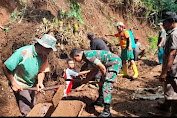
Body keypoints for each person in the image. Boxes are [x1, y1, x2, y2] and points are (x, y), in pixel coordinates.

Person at [2, 34, 57, 116]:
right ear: (43, 47)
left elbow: (42, 71)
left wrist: (40, 83)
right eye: (49, 50)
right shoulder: (23, 52)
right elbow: (6, 66)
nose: (49, 53)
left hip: (31, 84)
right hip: (20, 84)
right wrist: (14, 83)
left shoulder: (44, 56)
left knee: (33, 106)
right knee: (26, 110)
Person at [70, 49, 122, 117]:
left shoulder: (88, 56)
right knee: (102, 83)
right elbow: (95, 70)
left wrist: (103, 79)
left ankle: (107, 112)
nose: (75, 61)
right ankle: (100, 101)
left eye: (74, 59)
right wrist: (86, 79)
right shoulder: (87, 57)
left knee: (107, 85)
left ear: (78, 55)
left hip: (114, 63)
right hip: (109, 63)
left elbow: (102, 68)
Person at [158, 11, 177, 117]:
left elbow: (172, 54)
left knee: (174, 94)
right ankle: (166, 106)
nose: (163, 25)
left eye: (165, 23)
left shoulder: (174, 34)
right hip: (172, 67)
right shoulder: (172, 33)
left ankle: (173, 114)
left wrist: (164, 72)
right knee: (170, 90)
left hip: (173, 69)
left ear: (172, 21)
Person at [87, 32, 110, 107]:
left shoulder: (93, 42)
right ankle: (101, 100)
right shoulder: (98, 40)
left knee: (101, 77)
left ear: (89, 38)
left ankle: (96, 82)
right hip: (107, 57)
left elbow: (93, 54)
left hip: (105, 59)